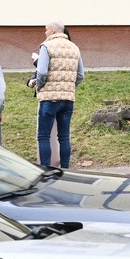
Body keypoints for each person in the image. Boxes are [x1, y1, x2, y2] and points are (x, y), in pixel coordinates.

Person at [30, 21, 85, 168]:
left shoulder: (46, 46)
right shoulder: (74, 47)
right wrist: (69, 87)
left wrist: (40, 86)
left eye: (46, 30)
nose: (45, 33)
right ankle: (65, 169)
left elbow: (42, 72)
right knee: (64, 137)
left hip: (49, 99)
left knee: (44, 136)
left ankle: (46, 170)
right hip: (68, 99)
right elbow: (81, 75)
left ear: (53, 31)